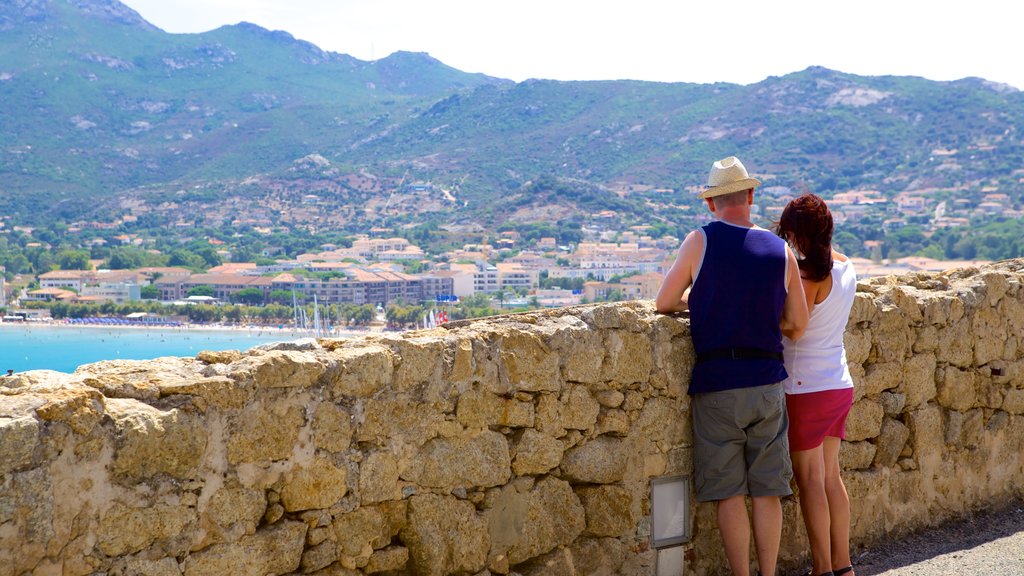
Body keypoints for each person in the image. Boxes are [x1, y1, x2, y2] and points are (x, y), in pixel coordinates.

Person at [656, 156, 808, 576]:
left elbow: (664, 302)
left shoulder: (699, 241)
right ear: (751, 196)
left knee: (727, 493)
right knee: (767, 491)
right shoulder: (781, 252)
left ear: (711, 204)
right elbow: (797, 324)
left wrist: (704, 301)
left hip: (718, 382)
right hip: (766, 381)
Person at [775, 194, 857, 576]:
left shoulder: (810, 277)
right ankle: (843, 565)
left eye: (791, 235)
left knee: (809, 480)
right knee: (830, 477)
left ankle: (822, 568)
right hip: (838, 383)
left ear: (800, 234)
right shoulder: (847, 268)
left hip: (805, 387)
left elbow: (795, 328)